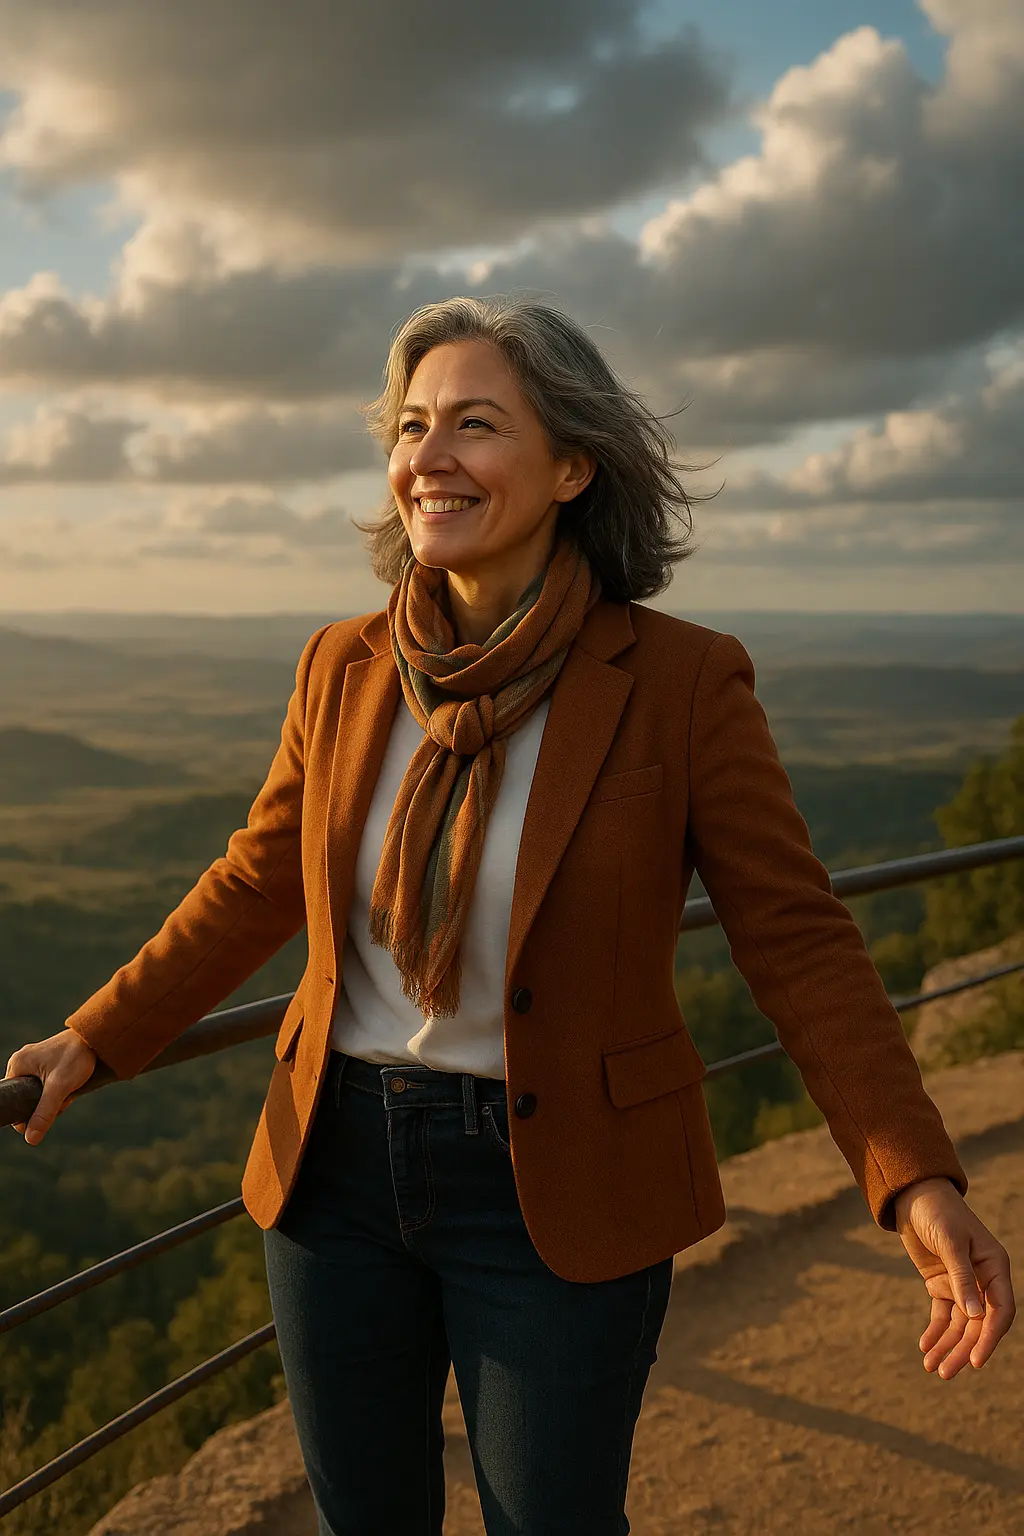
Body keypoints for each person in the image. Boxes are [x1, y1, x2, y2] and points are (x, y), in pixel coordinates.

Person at [6, 296, 1015, 1536]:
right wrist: (97, 1034)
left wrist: (913, 1180)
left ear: (572, 466)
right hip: (334, 1167)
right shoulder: (342, 665)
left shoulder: (682, 682)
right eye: (410, 425)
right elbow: (260, 878)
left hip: (562, 1182)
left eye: (474, 424)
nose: (428, 456)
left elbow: (796, 941)